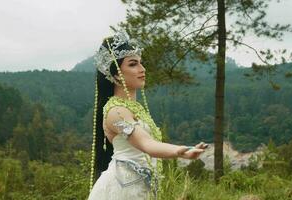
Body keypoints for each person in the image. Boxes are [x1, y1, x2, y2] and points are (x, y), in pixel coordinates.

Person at [88, 30, 208, 200]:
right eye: (132, 64)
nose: (142, 69)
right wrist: (182, 151)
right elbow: (146, 144)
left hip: (141, 188)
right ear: (116, 74)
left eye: (141, 63)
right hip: (122, 190)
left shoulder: (134, 109)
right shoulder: (116, 112)